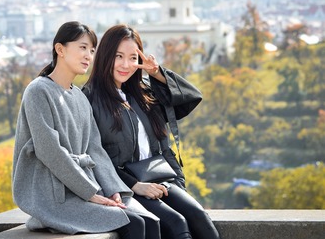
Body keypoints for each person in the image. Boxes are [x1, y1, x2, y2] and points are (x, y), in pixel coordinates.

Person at [12, 21, 160, 239]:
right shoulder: (38, 91)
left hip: (85, 187)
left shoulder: (80, 97)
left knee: (150, 222)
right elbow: (49, 151)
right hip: (54, 195)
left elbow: (95, 150)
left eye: (92, 50)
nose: (88, 56)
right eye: (82, 48)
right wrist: (90, 193)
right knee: (133, 224)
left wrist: (112, 189)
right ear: (60, 49)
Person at [83, 24, 221, 239]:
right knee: (177, 223)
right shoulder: (90, 99)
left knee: (199, 216)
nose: (126, 65)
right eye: (118, 56)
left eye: (133, 57)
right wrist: (134, 185)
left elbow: (191, 97)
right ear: (105, 56)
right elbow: (94, 156)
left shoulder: (144, 92)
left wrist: (156, 73)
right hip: (126, 185)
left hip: (162, 177)